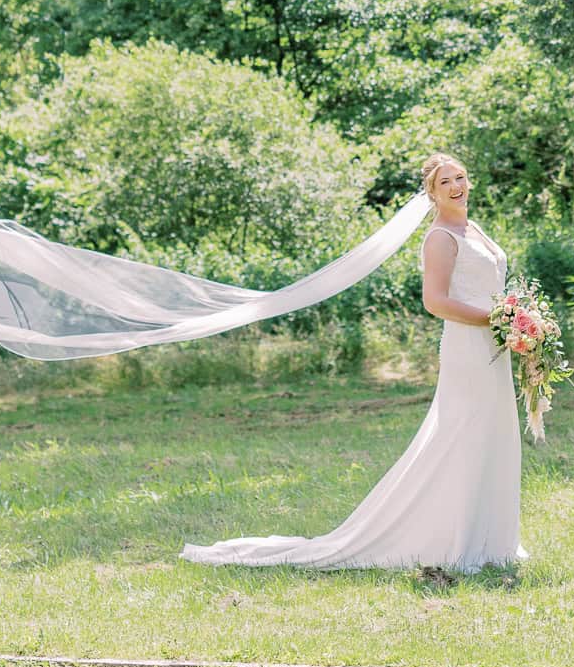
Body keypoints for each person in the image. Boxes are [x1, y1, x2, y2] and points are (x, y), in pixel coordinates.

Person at [179, 152, 526, 572]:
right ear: (432, 194)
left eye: (462, 177)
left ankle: (491, 541)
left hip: (494, 346)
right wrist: (497, 320)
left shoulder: (473, 227)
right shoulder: (440, 238)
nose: (457, 186)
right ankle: (454, 539)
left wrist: (514, 321)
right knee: (463, 436)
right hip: (470, 348)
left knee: (493, 434)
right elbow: (435, 302)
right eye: (446, 182)